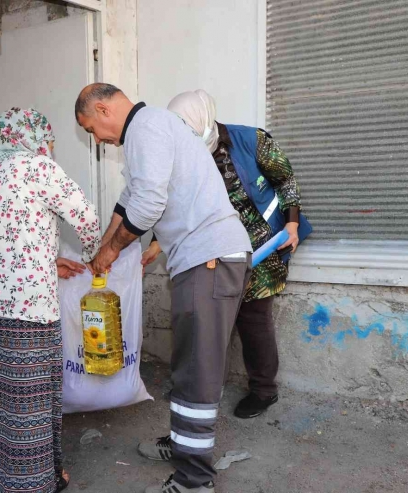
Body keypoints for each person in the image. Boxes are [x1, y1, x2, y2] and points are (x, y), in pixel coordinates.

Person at [75, 83, 253, 493]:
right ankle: (182, 445)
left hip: (208, 258)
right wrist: (104, 248)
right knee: (192, 364)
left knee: (197, 373)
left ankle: (194, 482)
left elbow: (148, 204)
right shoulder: (149, 130)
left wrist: (114, 250)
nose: (97, 140)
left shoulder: (149, 126)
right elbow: (128, 201)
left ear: (103, 109)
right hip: (205, 259)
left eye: (91, 129)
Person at [0, 107, 101, 493]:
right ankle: (31, 483)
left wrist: (47, 258)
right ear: (35, 139)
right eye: (49, 139)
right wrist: (93, 256)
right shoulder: (42, 169)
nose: (51, 147)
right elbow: (86, 219)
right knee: (27, 403)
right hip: (26, 311)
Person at [144, 89, 311, 419]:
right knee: (207, 323)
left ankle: (264, 391)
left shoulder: (249, 140)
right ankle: (200, 390)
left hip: (261, 246)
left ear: (204, 118)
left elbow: (285, 179)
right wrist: (156, 243)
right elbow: (172, 201)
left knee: (254, 321)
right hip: (213, 251)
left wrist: (291, 226)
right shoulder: (184, 153)